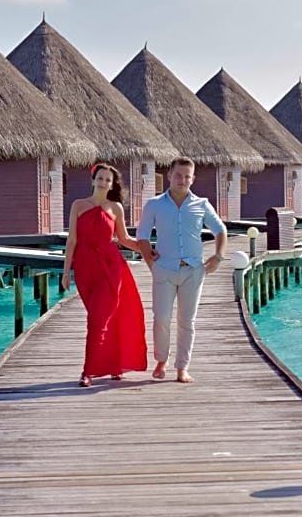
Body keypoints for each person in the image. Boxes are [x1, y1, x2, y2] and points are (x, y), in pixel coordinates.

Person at [136, 157, 227, 383]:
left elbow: (220, 230)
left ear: (193, 179)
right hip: (164, 269)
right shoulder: (154, 204)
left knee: (187, 321)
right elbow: (142, 236)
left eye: (187, 176)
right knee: (161, 318)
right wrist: (151, 263)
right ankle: (161, 360)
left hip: (193, 270)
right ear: (169, 175)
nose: (182, 180)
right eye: (178, 175)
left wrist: (218, 256)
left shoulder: (202, 204)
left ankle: (182, 367)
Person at [61, 163, 147, 387]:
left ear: (111, 185)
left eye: (107, 180)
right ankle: (114, 366)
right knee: (101, 318)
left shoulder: (115, 208)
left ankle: (88, 371)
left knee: (97, 320)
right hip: (84, 267)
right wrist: (66, 272)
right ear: (93, 180)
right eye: (100, 178)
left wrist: (148, 249)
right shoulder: (78, 205)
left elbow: (124, 239)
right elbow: (72, 240)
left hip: (110, 267)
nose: (103, 183)